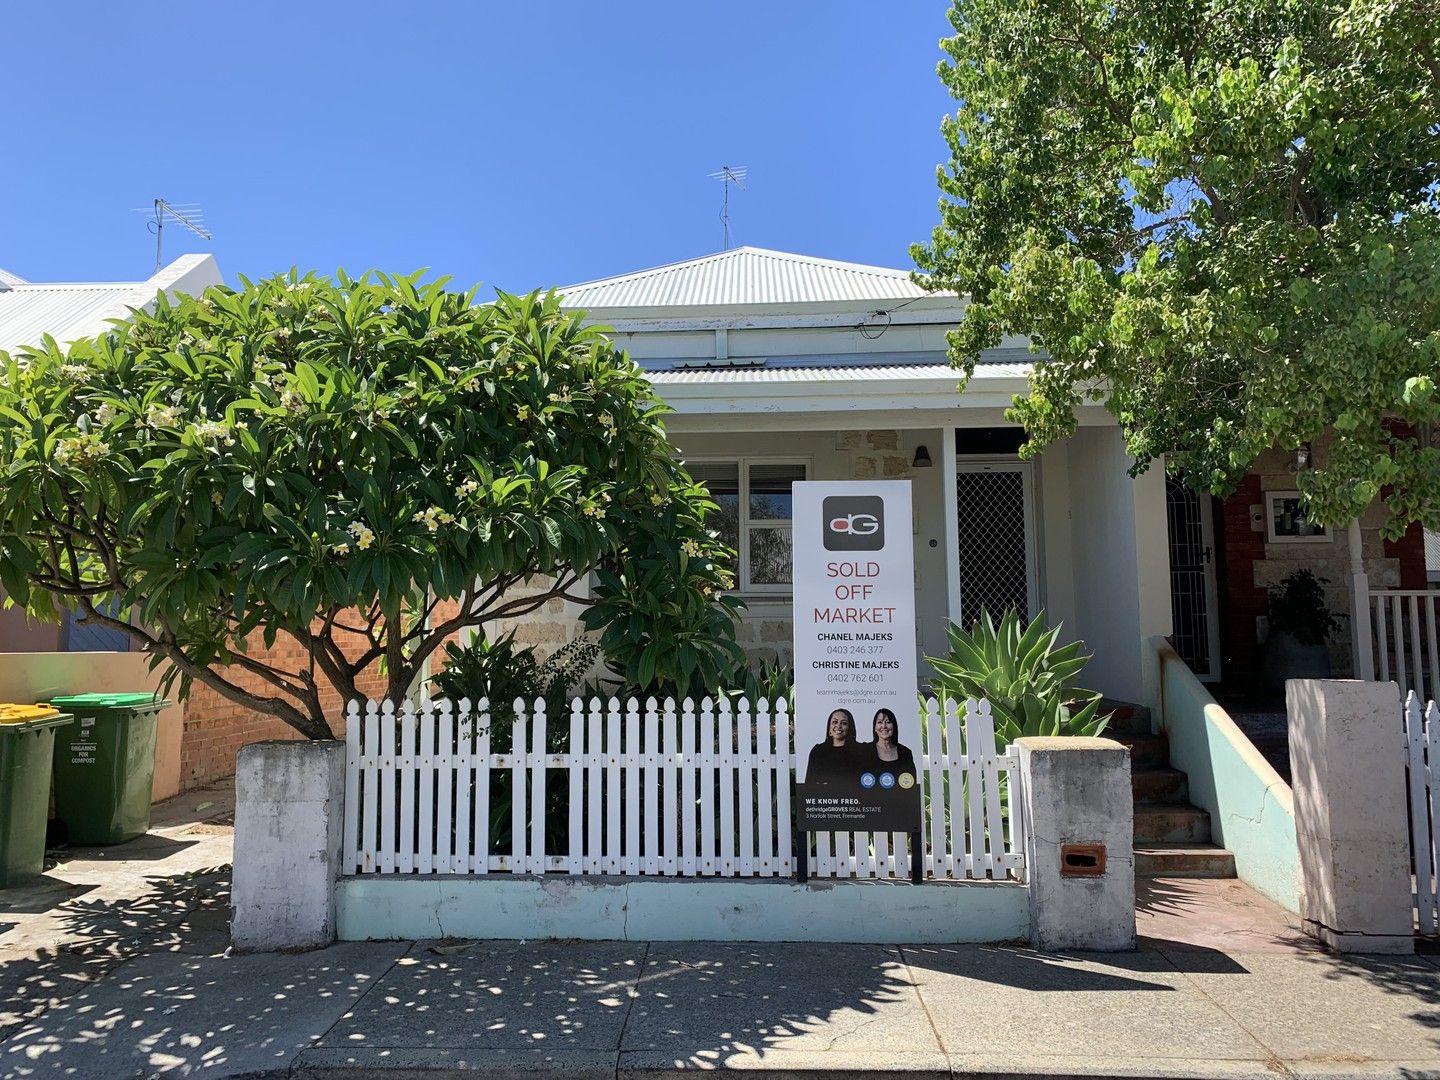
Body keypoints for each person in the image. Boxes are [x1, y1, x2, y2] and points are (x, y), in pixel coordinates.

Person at [805, 708, 860, 785]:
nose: (838, 726)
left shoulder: (859, 750)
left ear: (850, 728)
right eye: (835, 722)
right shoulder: (818, 751)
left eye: (844, 723)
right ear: (829, 728)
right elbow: (809, 783)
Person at [864, 707, 915, 778]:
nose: (884, 726)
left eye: (888, 722)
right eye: (880, 722)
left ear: (894, 726)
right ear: (875, 727)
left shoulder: (906, 752)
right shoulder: (865, 751)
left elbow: (911, 781)